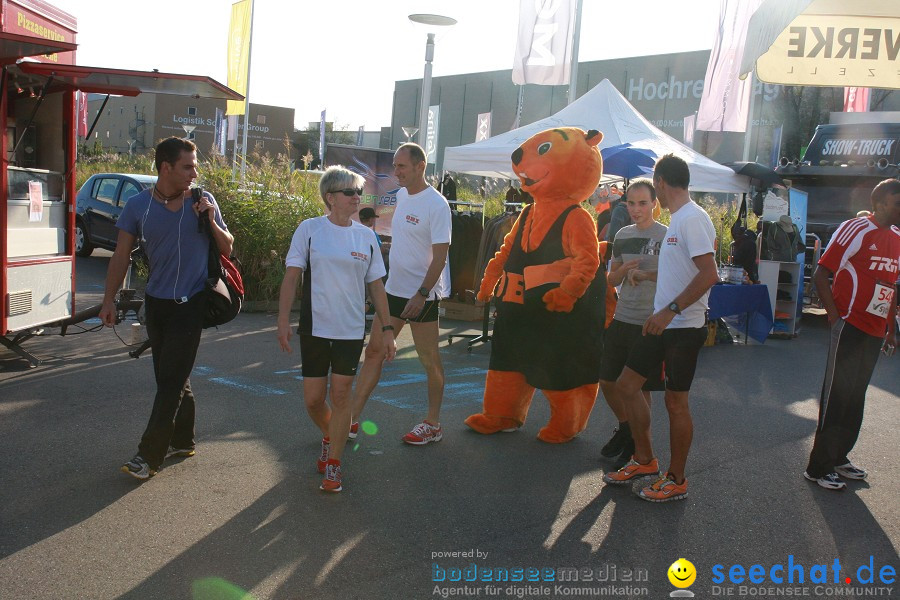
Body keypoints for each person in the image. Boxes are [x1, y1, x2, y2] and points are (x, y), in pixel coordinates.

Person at [100, 137, 234, 480]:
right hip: (157, 303)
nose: (194, 172)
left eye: (194, 166)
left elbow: (228, 247)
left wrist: (210, 219)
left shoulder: (203, 199)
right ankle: (183, 440)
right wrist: (108, 301)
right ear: (166, 167)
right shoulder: (137, 206)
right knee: (171, 375)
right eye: (188, 166)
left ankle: (148, 456)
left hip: (193, 302)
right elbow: (119, 256)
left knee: (171, 379)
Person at [602, 154, 719, 502]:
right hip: (662, 322)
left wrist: (669, 310)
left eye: (654, 188)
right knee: (626, 385)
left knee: (675, 403)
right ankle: (644, 460)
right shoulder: (680, 220)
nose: (655, 193)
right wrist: (648, 276)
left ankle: (677, 479)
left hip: (682, 326)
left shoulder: (691, 219)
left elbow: (709, 274)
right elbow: (681, 270)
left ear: (662, 184)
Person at [276, 166, 395, 493]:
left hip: (350, 330)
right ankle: (332, 435)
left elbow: (377, 287)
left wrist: (387, 329)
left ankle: (335, 463)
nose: (357, 197)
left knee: (341, 395)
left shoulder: (366, 236)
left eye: (358, 192)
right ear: (331, 197)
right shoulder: (309, 230)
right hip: (315, 328)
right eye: (349, 192)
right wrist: (283, 319)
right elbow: (291, 276)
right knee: (314, 400)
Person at [351, 142, 451, 445]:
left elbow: (440, 256)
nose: (396, 172)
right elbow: (407, 241)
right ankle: (351, 420)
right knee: (374, 353)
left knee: (428, 359)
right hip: (393, 290)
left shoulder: (437, 204)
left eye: (401, 166)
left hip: (421, 295)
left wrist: (421, 294)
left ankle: (433, 424)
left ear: (420, 166)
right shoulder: (402, 195)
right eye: (395, 166)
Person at [803, 178, 899, 491]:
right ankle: (818, 467)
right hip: (849, 325)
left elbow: (891, 286)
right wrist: (835, 318)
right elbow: (821, 273)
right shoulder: (855, 229)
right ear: (882, 202)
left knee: (856, 395)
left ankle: (839, 456)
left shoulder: (898, 237)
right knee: (836, 396)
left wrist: (890, 328)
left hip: (874, 331)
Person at [597, 179, 666, 462]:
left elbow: (679, 279)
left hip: (649, 321)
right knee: (606, 381)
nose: (636, 209)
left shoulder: (667, 236)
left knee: (641, 390)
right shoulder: (622, 235)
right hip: (622, 316)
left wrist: (648, 275)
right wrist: (623, 270)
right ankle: (627, 429)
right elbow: (610, 279)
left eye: (643, 203)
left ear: (654, 204)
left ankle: (641, 448)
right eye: (631, 203)